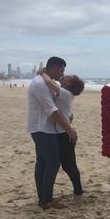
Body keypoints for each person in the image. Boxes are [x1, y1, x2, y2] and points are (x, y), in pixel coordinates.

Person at [27, 56, 77, 210]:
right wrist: (69, 129)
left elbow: (57, 103)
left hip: (45, 128)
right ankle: (46, 200)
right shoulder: (39, 84)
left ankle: (43, 198)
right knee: (53, 163)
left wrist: (68, 116)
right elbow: (52, 111)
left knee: (43, 163)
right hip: (42, 129)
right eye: (61, 70)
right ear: (54, 68)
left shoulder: (47, 82)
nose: (63, 73)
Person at [40, 70, 86, 206]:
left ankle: (79, 193)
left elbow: (49, 82)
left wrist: (41, 73)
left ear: (69, 84)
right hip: (60, 133)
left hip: (65, 135)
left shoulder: (65, 93)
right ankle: (78, 192)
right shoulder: (64, 93)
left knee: (69, 165)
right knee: (67, 165)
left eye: (68, 77)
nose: (64, 76)